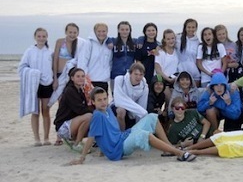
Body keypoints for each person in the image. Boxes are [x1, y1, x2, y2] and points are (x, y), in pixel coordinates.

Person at [66, 88, 197, 165]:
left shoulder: (108, 110)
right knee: (145, 135)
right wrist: (82, 158)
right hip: (119, 149)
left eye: (105, 99)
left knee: (152, 117)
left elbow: (108, 132)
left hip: (123, 138)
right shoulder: (97, 115)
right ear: (93, 102)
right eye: (99, 100)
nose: (103, 102)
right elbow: (92, 137)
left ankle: (169, 147)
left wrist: (102, 150)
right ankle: (180, 153)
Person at [19, 28, 55, 146]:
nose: (41, 38)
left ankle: (46, 138)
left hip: (47, 83)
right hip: (33, 84)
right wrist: (32, 73)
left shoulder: (50, 52)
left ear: (47, 37)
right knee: (35, 111)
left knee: (46, 110)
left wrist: (55, 80)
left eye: (44, 36)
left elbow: (54, 68)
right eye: (39, 36)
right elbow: (22, 67)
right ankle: (36, 138)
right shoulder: (29, 51)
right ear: (35, 37)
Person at [54, 68, 93, 150]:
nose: (81, 78)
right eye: (78, 76)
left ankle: (83, 141)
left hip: (72, 122)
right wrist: (94, 111)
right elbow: (80, 110)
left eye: (83, 76)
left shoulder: (80, 90)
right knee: (89, 116)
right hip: (63, 127)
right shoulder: (70, 91)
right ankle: (77, 143)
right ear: (72, 78)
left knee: (94, 119)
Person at [112, 63, 150, 131]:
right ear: (130, 73)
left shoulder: (144, 87)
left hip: (133, 113)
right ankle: (121, 135)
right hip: (117, 108)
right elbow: (119, 100)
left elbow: (142, 105)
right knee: (121, 111)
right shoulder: (119, 80)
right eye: (136, 74)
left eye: (141, 75)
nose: (138, 77)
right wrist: (141, 112)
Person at [79, 23, 115, 92]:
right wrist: (84, 79)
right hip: (90, 81)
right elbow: (83, 61)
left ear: (107, 32)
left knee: (103, 102)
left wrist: (107, 74)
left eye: (103, 31)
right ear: (95, 31)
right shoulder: (89, 43)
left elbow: (110, 62)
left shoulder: (108, 45)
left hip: (104, 81)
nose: (101, 33)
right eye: (99, 31)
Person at [155, 29, 180, 109]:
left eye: (172, 38)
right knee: (169, 102)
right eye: (168, 39)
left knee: (175, 103)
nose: (171, 41)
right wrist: (168, 79)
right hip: (163, 80)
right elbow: (158, 69)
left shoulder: (176, 51)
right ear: (164, 40)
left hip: (174, 80)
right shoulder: (160, 52)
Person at [110, 21, 137, 93]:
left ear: (130, 30)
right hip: (115, 75)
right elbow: (104, 39)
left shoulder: (134, 42)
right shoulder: (113, 41)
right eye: (122, 29)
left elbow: (145, 40)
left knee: (128, 96)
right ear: (118, 30)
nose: (124, 31)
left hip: (129, 76)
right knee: (115, 96)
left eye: (127, 29)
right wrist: (108, 42)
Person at [177, 19, 202, 86]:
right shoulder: (178, 38)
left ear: (196, 28)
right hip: (180, 72)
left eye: (193, 27)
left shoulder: (198, 42)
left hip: (194, 74)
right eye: (189, 27)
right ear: (185, 27)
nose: (191, 29)